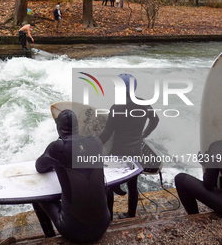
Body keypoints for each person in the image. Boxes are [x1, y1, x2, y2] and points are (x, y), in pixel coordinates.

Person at [32, 109, 112, 243]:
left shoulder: (57, 148)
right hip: (103, 225)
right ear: (77, 127)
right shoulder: (96, 142)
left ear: (58, 128)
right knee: (106, 189)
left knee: (38, 197)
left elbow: (39, 167)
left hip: (74, 231)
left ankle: (49, 237)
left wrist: (54, 162)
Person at [99, 73, 159, 219]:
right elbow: (155, 120)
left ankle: (109, 216)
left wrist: (92, 144)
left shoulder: (116, 107)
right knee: (133, 185)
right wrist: (144, 134)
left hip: (119, 151)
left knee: (108, 184)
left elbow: (107, 133)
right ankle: (131, 214)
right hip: (136, 150)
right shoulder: (145, 104)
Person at [175, 140, 222, 215]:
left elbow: (209, 184)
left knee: (180, 179)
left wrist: (208, 164)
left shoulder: (217, 146)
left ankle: (195, 217)